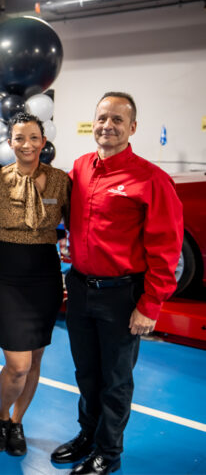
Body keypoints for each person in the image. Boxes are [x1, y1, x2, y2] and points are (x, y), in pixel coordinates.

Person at [51, 92, 183, 475]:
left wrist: (150, 304)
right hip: (78, 289)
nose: (108, 125)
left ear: (133, 128)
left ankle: (108, 453)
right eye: (102, 118)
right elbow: (67, 214)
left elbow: (167, 249)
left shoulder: (151, 180)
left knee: (115, 380)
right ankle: (86, 436)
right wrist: (63, 235)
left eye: (117, 120)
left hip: (121, 296)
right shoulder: (79, 168)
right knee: (86, 373)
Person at [0, 112, 70, 457]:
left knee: (35, 360)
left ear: (43, 142)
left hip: (45, 273)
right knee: (17, 364)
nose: (27, 144)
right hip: (6, 273)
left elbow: (82, 222)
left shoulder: (62, 180)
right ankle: (0, 415)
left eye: (33, 137)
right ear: (9, 143)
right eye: (19, 138)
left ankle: (17, 421)